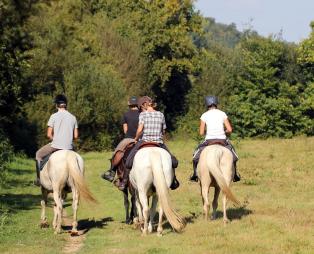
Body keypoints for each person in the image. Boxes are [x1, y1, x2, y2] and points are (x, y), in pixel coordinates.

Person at [121, 96, 180, 191]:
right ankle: (173, 180)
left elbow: (140, 130)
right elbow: (163, 131)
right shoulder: (160, 114)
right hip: (159, 142)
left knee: (128, 161)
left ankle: (124, 181)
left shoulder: (143, 115)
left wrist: (136, 138)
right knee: (173, 161)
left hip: (144, 141)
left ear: (143, 105)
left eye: (140, 107)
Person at [189, 95, 241, 182]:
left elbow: (201, 133)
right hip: (222, 140)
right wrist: (223, 131)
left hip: (209, 141)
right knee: (234, 156)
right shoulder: (222, 113)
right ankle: (235, 174)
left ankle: (194, 174)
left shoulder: (204, 115)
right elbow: (230, 129)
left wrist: (209, 131)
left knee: (195, 156)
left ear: (207, 104)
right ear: (216, 103)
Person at [34, 94, 78, 186]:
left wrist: (55, 139)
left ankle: (38, 180)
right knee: (76, 159)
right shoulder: (73, 117)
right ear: (66, 105)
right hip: (69, 147)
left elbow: (49, 134)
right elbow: (76, 136)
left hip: (55, 145)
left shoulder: (53, 116)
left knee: (38, 154)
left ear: (56, 105)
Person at [101, 96, 140, 182]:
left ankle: (112, 172)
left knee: (117, 152)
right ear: (137, 104)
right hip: (141, 139)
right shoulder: (142, 114)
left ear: (129, 104)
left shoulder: (126, 115)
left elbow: (125, 130)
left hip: (129, 139)